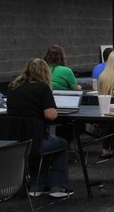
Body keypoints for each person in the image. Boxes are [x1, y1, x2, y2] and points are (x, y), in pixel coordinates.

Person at [6, 58, 73, 198]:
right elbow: (50, 115)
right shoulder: (42, 88)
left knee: (40, 143)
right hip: (35, 139)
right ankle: (58, 186)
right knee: (61, 144)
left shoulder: (13, 86)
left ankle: (37, 184)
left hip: (15, 141)